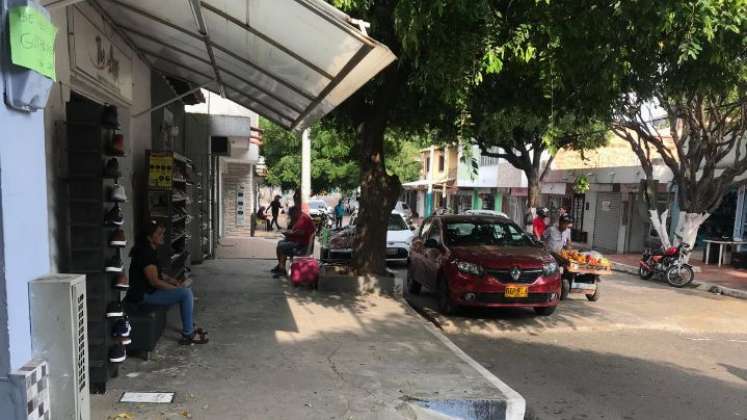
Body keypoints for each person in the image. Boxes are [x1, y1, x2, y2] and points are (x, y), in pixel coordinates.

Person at [125, 221, 208, 345]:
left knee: (185, 290)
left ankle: (190, 326)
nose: (162, 236)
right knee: (185, 294)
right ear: (149, 237)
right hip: (142, 296)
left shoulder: (150, 249)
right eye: (159, 234)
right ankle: (189, 334)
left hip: (149, 291)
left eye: (162, 233)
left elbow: (159, 274)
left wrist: (173, 281)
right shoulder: (145, 253)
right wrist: (174, 289)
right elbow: (155, 282)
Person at [272, 190, 315, 276]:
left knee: (282, 246)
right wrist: (289, 233)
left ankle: (282, 268)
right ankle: (281, 266)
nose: (291, 216)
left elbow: (301, 233)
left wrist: (289, 234)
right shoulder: (300, 218)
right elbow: (297, 231)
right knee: (281, 243)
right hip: (298, 242)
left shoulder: (304, 218)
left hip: (302, 246)